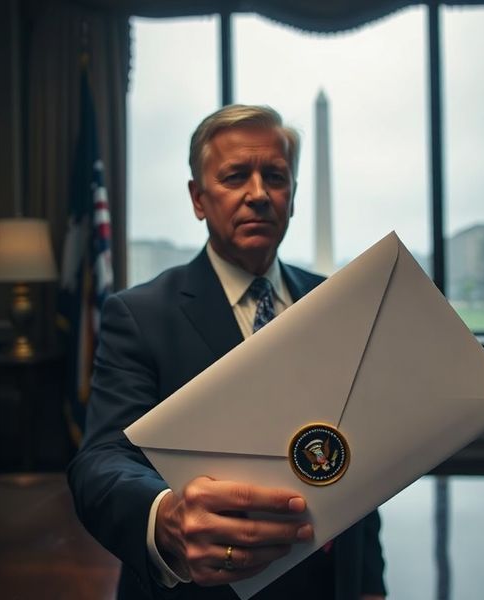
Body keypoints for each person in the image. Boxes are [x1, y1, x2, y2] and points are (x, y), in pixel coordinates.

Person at [68, 104, 387, 600]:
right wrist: (165, 517)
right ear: (198, 199)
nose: (258, 194)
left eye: (275, 177)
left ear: (294, 197)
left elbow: (359, 458)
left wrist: (370, 583)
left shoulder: (337, 303)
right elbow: (102, 461)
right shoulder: (139, 314)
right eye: (236, 176)